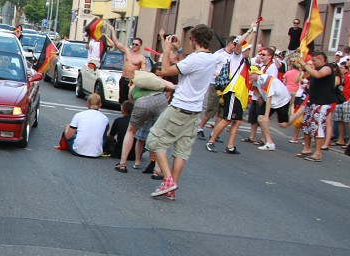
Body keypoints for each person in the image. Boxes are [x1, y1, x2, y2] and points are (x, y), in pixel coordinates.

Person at [147, 25, 217, 199]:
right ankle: (170, 189)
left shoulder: (194, 60)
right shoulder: (210, 58)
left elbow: (165, 70)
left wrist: (166, 50)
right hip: (195, 111)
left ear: (194, 39)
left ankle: (168, 180)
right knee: (181, 150)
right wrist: (177, 50)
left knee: (154, 139)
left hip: (180, 107)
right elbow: (186, 64)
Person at [206, 30, 253, 154]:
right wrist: (248, 31)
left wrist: (253, 30)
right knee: (227, 119)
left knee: (237, 121)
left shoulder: (245, 61)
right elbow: (240, 44)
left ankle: (230, 146)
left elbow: (246, 42)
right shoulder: (236, 57)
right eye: (247, 49)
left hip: (239, 94)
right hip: (233, 92)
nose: (249, 51)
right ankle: (211, 141)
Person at [295, 51, 337, 162]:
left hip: (323, 102)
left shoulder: (328, 67)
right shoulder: (316, 69)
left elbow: (318, 75)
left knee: (318, 126)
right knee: (306, 124)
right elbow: (306, 78)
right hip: (312, 101)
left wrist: (304, 64)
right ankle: (307, 148)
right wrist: (302, 68)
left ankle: (318, 153)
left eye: (314, 60)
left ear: (321, 59)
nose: (312, 62)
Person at [250, 68, 292, 151]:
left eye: (250, 75)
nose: (249, 77)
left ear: (255, 73)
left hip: (281, 100)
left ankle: (298, 114)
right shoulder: (255, 82)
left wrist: (266, 115)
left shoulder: (264, 79)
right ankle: (269, 142)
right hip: (271, 101)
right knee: (261, 118)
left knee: (283, 124)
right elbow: (260, 96)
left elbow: (269, 96)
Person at [105, 27, 147, 104]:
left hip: (132, 81)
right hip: (124, 79)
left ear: (140, 46)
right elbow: (116, 43)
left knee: (131, 101)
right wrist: (113, 31)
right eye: (133, 44)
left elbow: (144, 72)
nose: (134, 45)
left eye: (136, 44)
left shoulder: (142, 58)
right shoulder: (127, 51)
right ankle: (123, 113)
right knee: (122, 100)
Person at [64, 93, 109, 158]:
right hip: (97, 153)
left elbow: (68, 136)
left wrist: (66, 128)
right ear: (100, 105)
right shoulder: (105, 118)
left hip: (78, 150)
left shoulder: (79, 115)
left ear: (87, 103)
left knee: (70, 129)